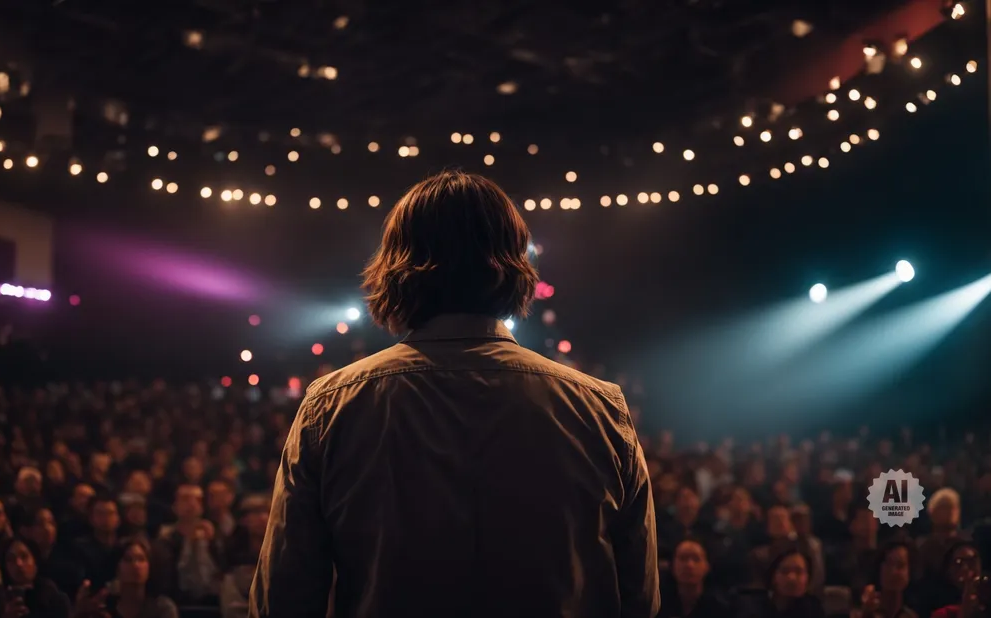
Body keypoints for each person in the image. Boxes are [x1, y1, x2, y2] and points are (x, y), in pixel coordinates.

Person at [250, 171, 660, 618]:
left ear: (397, 267)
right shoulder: (600, 410)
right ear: (513, 264)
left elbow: (283, 600)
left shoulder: (332, 406)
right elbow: (639, 598)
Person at [657, 538, 728, 618]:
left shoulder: (719, 608)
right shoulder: (657, 604)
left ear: (707, 566)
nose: (689, 565)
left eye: (696, 559)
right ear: (672, 565)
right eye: (683, 558)